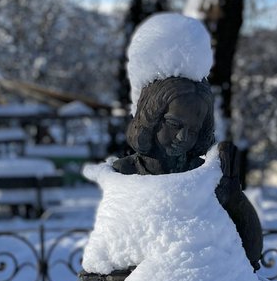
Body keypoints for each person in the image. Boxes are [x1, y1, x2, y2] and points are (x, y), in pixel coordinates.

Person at [113, 75, 263, 270]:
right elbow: (111, 255)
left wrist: (234, 198)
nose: (183, 137)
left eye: (193, 131)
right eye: (175, 124)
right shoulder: (125, 172)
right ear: (151, 118)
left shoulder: (204, 176)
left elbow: (251, 256)